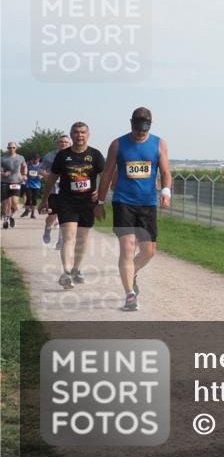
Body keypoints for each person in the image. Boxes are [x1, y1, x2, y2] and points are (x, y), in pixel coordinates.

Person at [95, 107, 172, 312]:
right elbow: (107, 174)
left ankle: (132, 272)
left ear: (150, 126)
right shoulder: (118, 144)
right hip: (123, 202)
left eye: (144, 130)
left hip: (148, 203)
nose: (140, 133)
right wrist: (100, 202)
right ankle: (130, 294)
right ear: (131, 124)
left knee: (149, 252)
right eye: (137, 129)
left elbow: (165, 172)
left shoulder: (159, 144)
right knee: (128, 246)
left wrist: (166, 191)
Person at [39, 122, 106, 289]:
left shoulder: (96, 155)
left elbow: (105, 176)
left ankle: (76, 269)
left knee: (82, 240)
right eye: (76, 132)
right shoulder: (62, 156)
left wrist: (100, 193)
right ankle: (66, 273)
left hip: (87, 202)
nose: (79, 135)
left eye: (83, 132)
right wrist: (44, 199)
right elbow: (52, 178)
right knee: (69, 237)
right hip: (66, 201)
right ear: (71, 134)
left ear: (88, 134)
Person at [41, 135, 72, 246]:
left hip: (68, 190)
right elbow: (41, 170)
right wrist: (49, 176)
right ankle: (48, 228)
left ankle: (60, 241)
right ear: (57, 144)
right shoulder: (49, 156)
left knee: (64, 215)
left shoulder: (74, 155)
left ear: (70, 144)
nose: (63, 143)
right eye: (61, 142)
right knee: (52, 215)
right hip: (53, 189)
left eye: (66, 142)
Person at [2, 141, 27, 228]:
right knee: (5, 203)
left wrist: (24, 175)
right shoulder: (3, 158)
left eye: (13, 147)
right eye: (10, 147)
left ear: (16, 148)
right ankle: (6, 219)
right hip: (4, 182)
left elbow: (24, 166)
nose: (11, 149)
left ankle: (11, 216)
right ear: (7, 148)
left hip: (16, 182)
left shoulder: (20, 157)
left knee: (15, 203)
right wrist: (3, 173)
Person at [23, 154, 44, 219]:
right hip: (28, 184)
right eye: (34, 159)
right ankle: (26, 210)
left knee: (34, 199)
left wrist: (41, 176)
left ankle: (32, 213)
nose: (35, 161)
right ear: (32, 159)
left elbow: (44, 173)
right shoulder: (28, 164)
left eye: (36, 159)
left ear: (39, 159)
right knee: (29, 198)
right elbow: (24, 170)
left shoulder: (41, 165)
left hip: (37, 185)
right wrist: (25, 176)